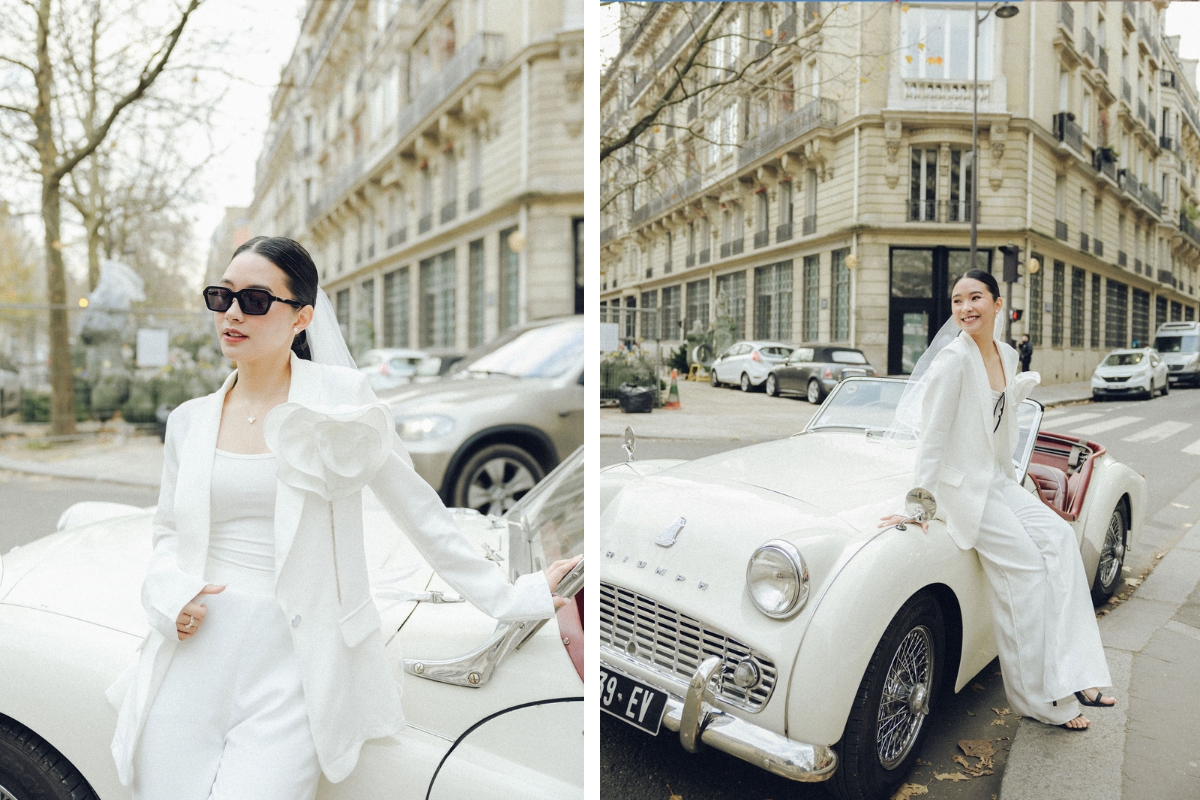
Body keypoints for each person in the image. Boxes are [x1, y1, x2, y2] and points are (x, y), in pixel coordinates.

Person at [106, 236, 581, 799]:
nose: (233, 313)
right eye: (221, 296)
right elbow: (168, 533)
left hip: (293, 668)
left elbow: (420, 509)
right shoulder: (188, 421)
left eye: (255, 300)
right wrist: (170, 595)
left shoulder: (342, 402)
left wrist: (510, 597)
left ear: (302, 316)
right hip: (192, 656)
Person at [879, 269, 1115, 732]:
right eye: (958, 301)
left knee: (1062, 542)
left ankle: (1078, 672)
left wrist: (1013, 485)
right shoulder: (952, 361)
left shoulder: (1006, 354)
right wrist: (919, 505)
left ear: (997, 303)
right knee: (1027, 569)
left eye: (976, 298)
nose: (966, 308)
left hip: (997, 481)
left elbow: (1001, 432)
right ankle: (1038, 699)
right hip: (959, 489)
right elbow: (932, 439)